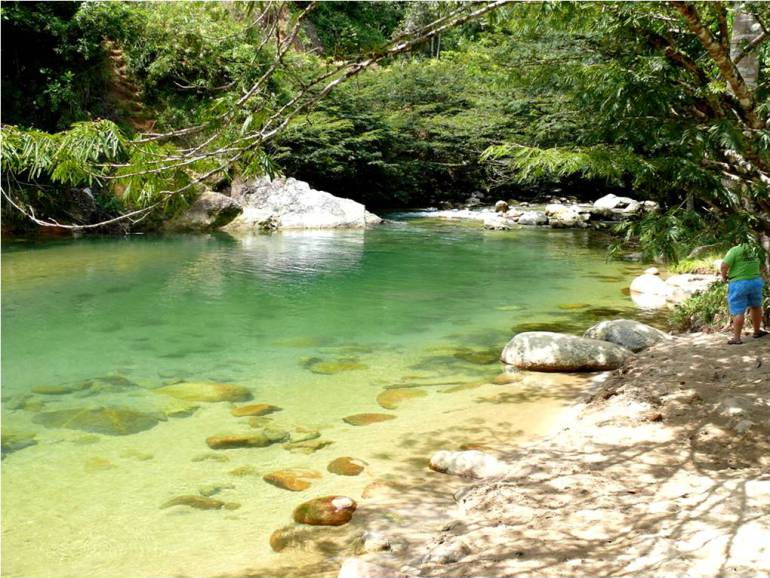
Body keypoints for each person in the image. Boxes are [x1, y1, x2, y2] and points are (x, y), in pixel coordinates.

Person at [720, 242, 767, 344]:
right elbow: (762, 265)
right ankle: (757, 331)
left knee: (738, 310)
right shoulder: (756, 250)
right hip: (755, 281)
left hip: (739, 284)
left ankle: (737, 338)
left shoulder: (735, 250)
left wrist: (724, 277)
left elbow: (724, 265)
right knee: (756, 306)